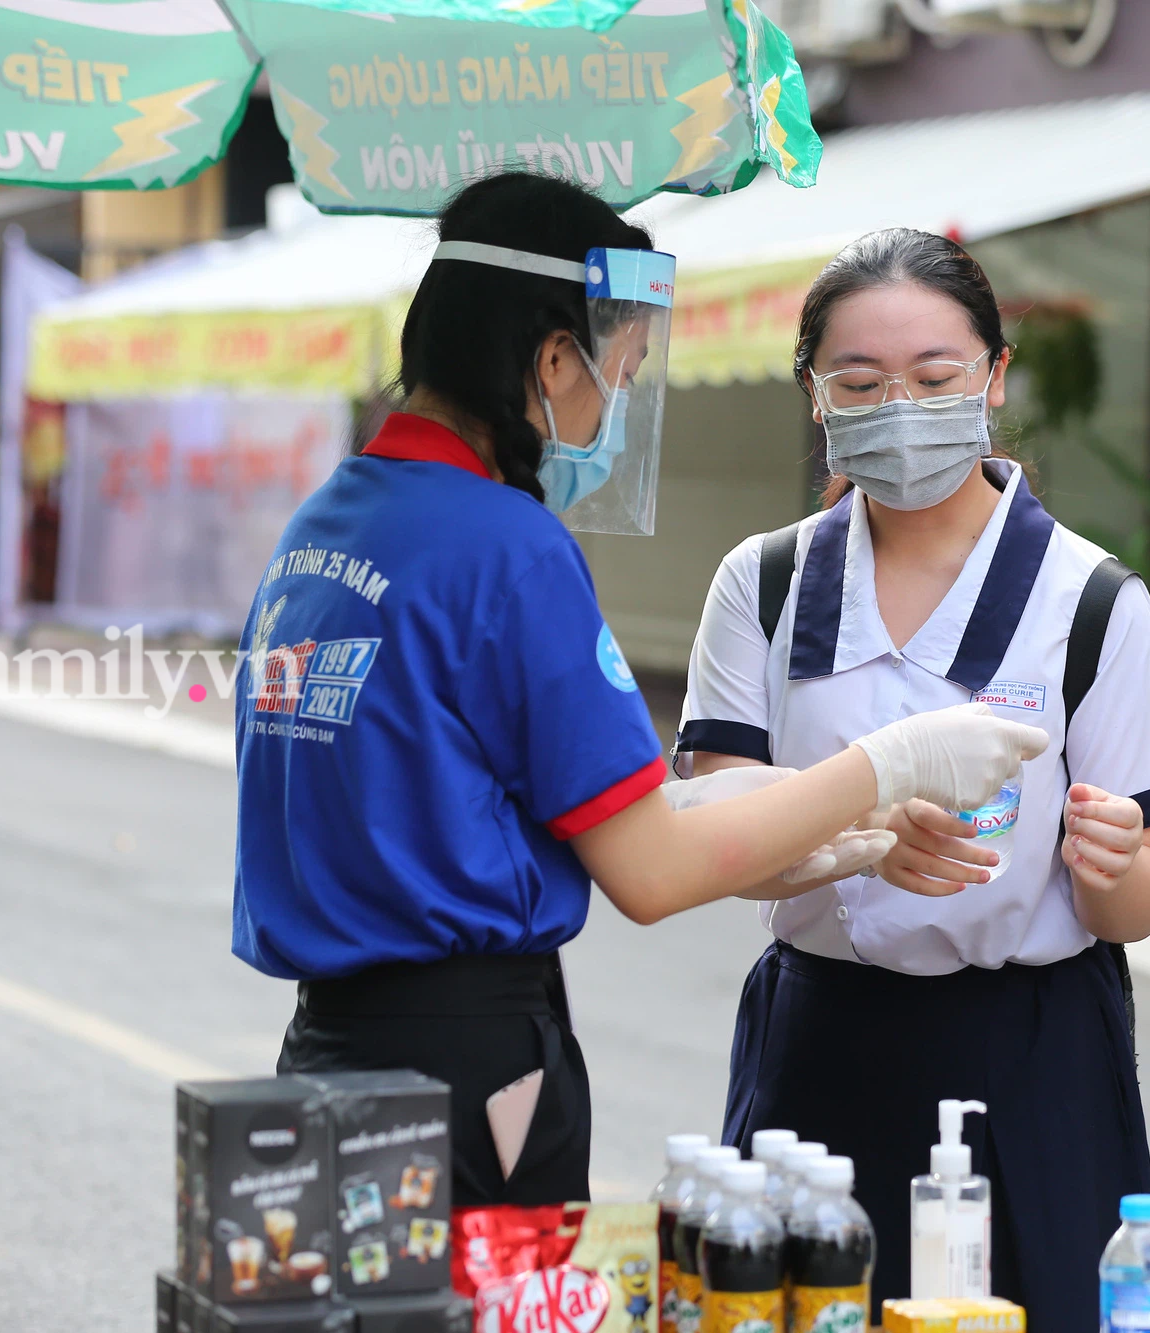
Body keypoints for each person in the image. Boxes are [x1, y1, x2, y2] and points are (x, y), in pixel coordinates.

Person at [230, 179, 1047, 1210]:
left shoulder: (328, 523)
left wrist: (760, 813)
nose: (610, 410)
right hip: (465, 1074)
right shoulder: (505, 547)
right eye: (617, 375)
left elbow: (471, 787)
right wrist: (888, 766)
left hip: (329, 1047)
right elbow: (650, 873)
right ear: (553, 359)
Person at [673, 228, 1150, 1330]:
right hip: (817, 1047)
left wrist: (1110, 867)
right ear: (815, 395)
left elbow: (1143, 894)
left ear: (994, 378)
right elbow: (713, 831)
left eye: (933, 377)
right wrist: (854, 834)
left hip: (1029, 1053)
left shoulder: (1089, 602)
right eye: (859, 382)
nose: (898, 407)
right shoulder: (763, 585)